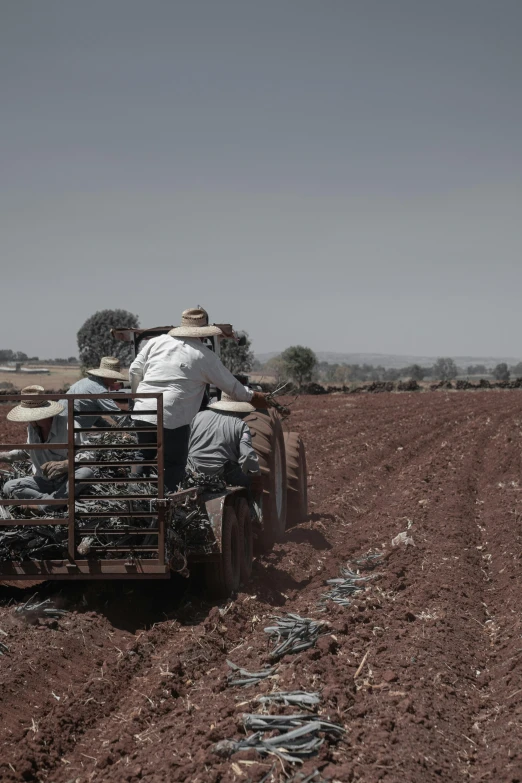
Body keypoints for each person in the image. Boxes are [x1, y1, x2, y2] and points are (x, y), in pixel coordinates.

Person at [129, 307, 269, 491]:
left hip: (142, 411)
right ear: (203, 333)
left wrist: (138, 400)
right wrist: (254, 396)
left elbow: (134, 371)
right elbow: (231, 386)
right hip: (172, 416)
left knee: (142, 456)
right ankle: (169, 508)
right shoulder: (204, 355)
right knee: (174, 464)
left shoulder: (156, 342)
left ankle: (134, 499)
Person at [0, 386, 94, 513]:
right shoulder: (32, 427)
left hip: (67, 481)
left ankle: (44, 506)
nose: (29, 420)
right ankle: (52, 502)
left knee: (86, 473)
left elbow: (89, 454)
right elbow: (27, 451)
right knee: (9, 486)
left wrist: (66, 464)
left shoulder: (69, 425)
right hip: (43, 481)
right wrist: (4, 456)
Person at [186, 393, 260, 487]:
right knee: (251, 484)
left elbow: (188, 444)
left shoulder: (198, 416)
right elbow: (247, 455)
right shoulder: (240, 425)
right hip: (223, 473)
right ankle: (253, 501)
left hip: (193, 471)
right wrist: (254, 472)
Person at [67, 356, 127, 442]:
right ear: (107, 376)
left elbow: (93, 416)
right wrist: (136, 427)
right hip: (69, 427)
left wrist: (109, 428)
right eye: (114, 377)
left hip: (64, 423)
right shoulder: (100, 390)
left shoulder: (88, 382)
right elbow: (117, 415)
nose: (115, 380)